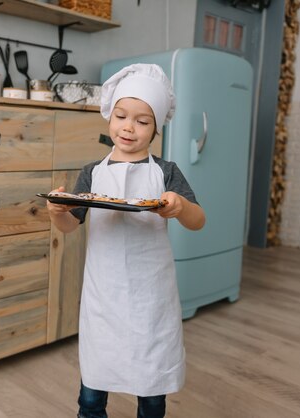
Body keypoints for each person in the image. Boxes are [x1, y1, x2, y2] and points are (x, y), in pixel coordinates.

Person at [46, 63, 206, 418]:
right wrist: (58, 211)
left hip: (152, 296)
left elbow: (198, 221)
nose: (129, 127)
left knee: (151, 385)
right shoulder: (92, 172)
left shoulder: (166, 172)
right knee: (93, 386)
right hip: (103, 295)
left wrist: (179, 206)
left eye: (142, 121)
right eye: (121, 116)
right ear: (109, 117)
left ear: (157, 127)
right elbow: (72, 224)